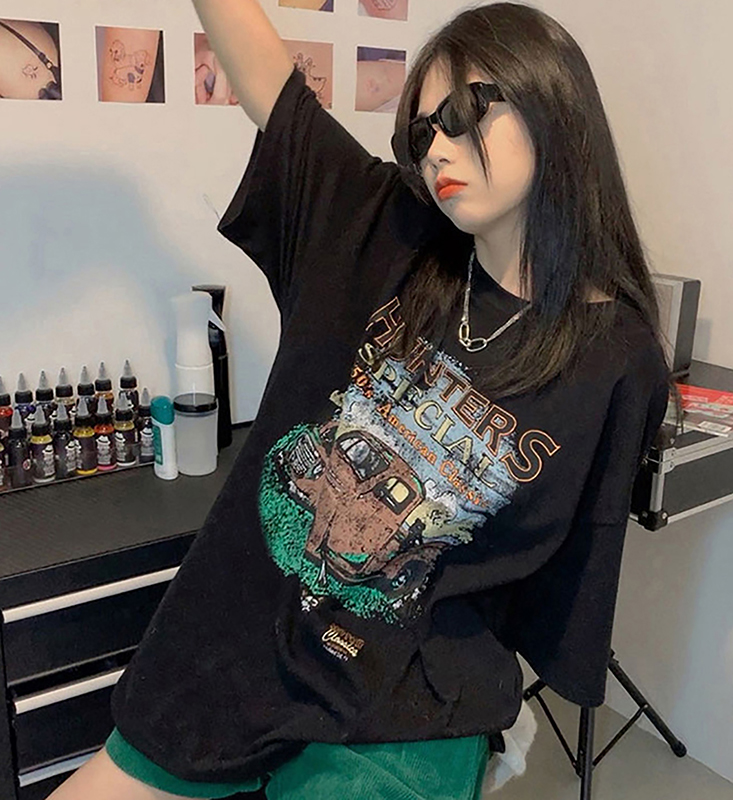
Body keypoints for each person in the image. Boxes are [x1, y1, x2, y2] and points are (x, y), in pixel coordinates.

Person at [49, 2, 673, 798]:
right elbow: (271, 82)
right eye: (422, 133)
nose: (437, 148)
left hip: (403, 709)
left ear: (552, 100)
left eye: (461, 113)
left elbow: (561, 578)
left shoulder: (617, 359)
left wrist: (491, 715)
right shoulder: (384, 231)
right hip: (234, 648)